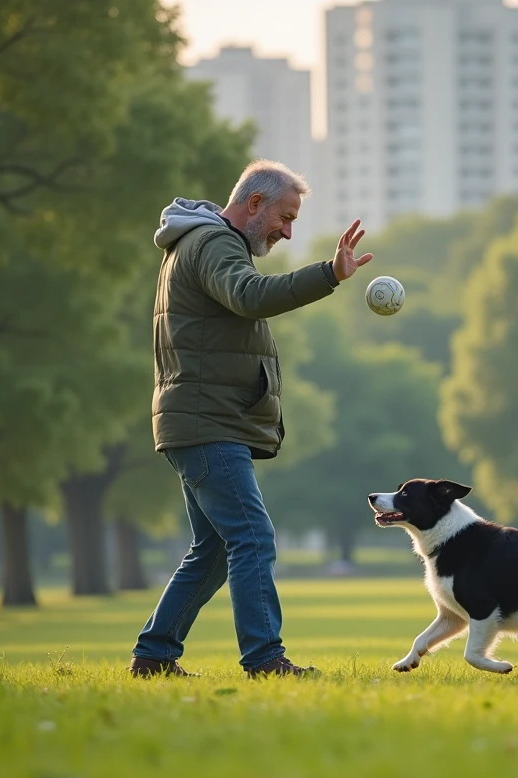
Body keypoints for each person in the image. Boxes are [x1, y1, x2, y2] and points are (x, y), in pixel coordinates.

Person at [129, 160, 372, 678]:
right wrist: (328, 274)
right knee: (252, 538)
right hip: (206, 424)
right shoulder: (215, 244)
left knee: (214, 548)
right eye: (285, 217)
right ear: (254, 203)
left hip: (197, 421)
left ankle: (153, 655)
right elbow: (250, 297)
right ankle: (265, 659)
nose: (288, 231)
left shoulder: (198, 243)